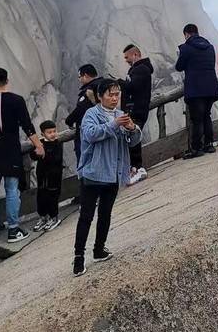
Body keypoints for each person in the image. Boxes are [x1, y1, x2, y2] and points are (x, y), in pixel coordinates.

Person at [75, 79, 143, 277]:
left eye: (117, 94)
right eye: (110, 95)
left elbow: (133, 142)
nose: (114, 98)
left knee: (106, 213)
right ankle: (78, 257)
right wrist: (114, 124)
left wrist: (132, 129)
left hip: (113, 173)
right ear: (99, 96)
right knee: (86, 216)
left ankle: (99, 249)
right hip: (93, 172)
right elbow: (90, 134)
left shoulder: (121, 115)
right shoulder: (91, 114)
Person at [0, 67, 42, 243]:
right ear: (7, 80)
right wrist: (38, 145)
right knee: (12, 189)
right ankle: (13, 229)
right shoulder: (16, 100)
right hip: (10, 148)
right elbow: (27, 125)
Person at [176, 24, 218, 159]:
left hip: (196, 88)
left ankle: (197, 148)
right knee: (206, 115)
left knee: (197, 119)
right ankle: (209, 144)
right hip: (210, 86)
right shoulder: (209, 46)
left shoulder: (186, 48)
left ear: (186, 34)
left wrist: (181, 53)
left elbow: (179, 66)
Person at [121, 44, 154, 185]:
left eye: (127, 57)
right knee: (131, 138)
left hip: (138, 110)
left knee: (134, 138)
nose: (126, 60)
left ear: (135, 55)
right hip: (133, 109)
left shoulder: (142, 69)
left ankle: (139, 169)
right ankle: (134, 168)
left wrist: (120, 83)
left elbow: (134, 87)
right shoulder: (136, 69)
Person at [66, 64, 104, 166]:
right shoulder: (104, 85)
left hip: (88, 133)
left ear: (86, 75)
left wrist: (69, 120)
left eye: (80, 77)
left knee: (85, 164)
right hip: (103, 129)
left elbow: (81, 108)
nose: (79, 79)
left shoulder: (90, 89)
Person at [35, 120, 65, 231]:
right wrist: (37, 150)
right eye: (49, 132)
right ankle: (43, 217)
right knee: (41, 196)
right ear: (43, 134)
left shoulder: (57, 144)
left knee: (53, 196)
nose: (53, 134)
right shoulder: (41, 143)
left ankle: (54, 217)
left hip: (54, 176)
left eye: (54, 131)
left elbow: (56, 159)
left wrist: (44, 155)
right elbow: (34, 156)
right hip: (42, 176)